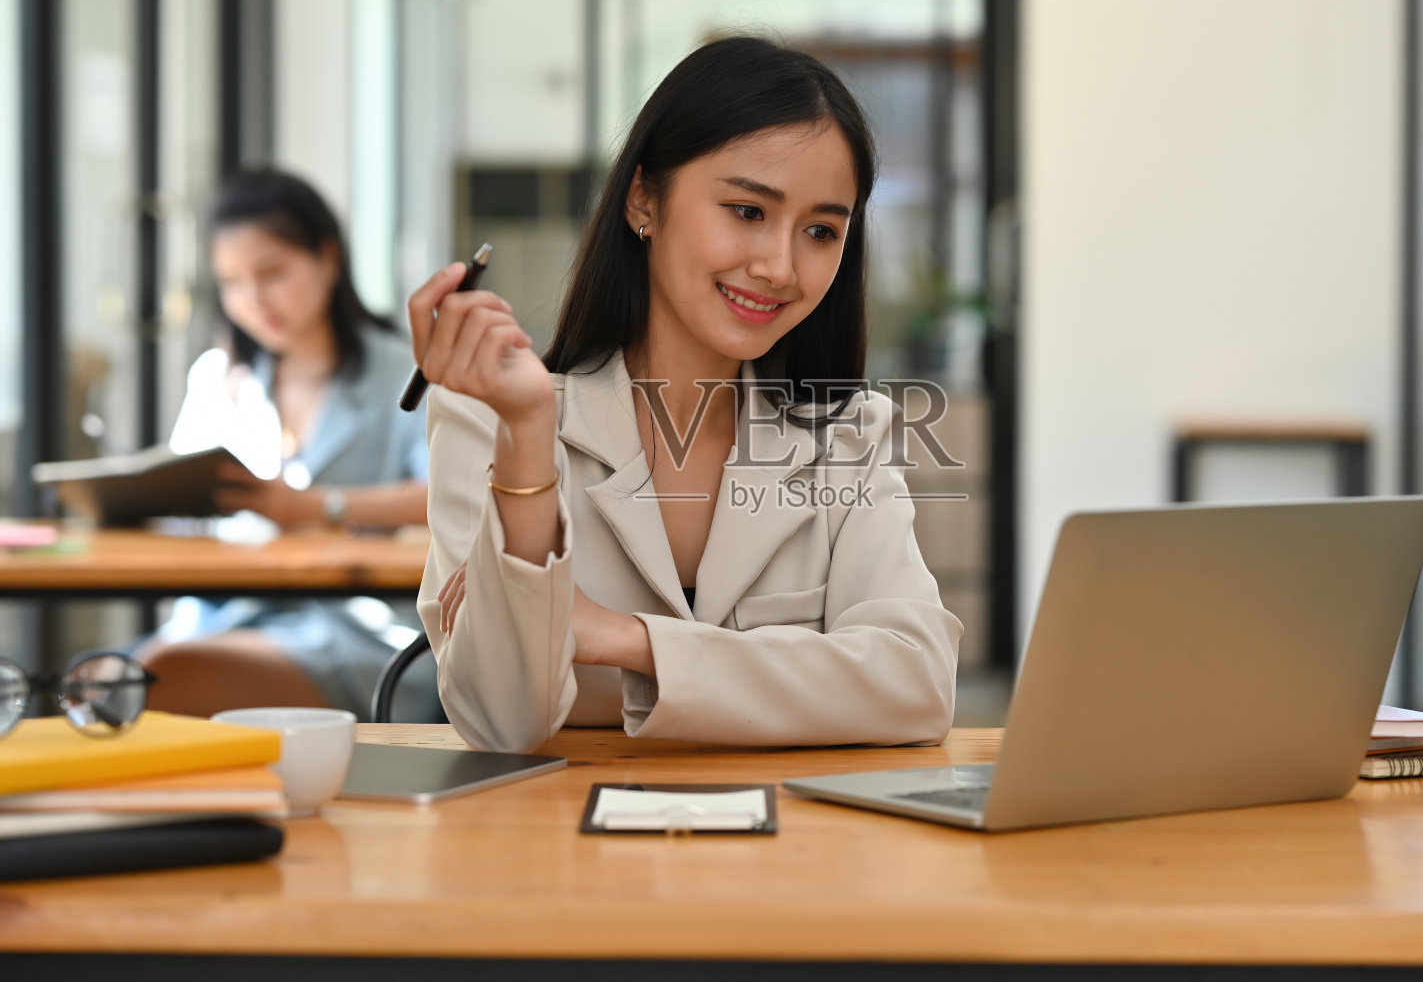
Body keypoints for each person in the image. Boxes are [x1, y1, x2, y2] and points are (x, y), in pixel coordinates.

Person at [411, 37, 962, 754]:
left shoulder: (849, 434)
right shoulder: (490, 420)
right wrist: (526, 435)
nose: (780, 266)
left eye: (821, 230)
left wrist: (627, 638)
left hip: (804, 848)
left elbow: (916, 682)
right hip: (559, 852)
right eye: (746, 211)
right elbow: (502, 721)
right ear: (644, 197)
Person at [140, 169, 439, 719]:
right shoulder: (220, 378)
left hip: (357, 627)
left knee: (162, 678)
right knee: (105, 679)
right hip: (227, 612)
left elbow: (448, 496)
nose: (253, 300)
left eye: (271, 273)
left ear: (328, 258)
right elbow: (178, 502)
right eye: (230, 283)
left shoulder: (408, 374)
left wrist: (317, 507)